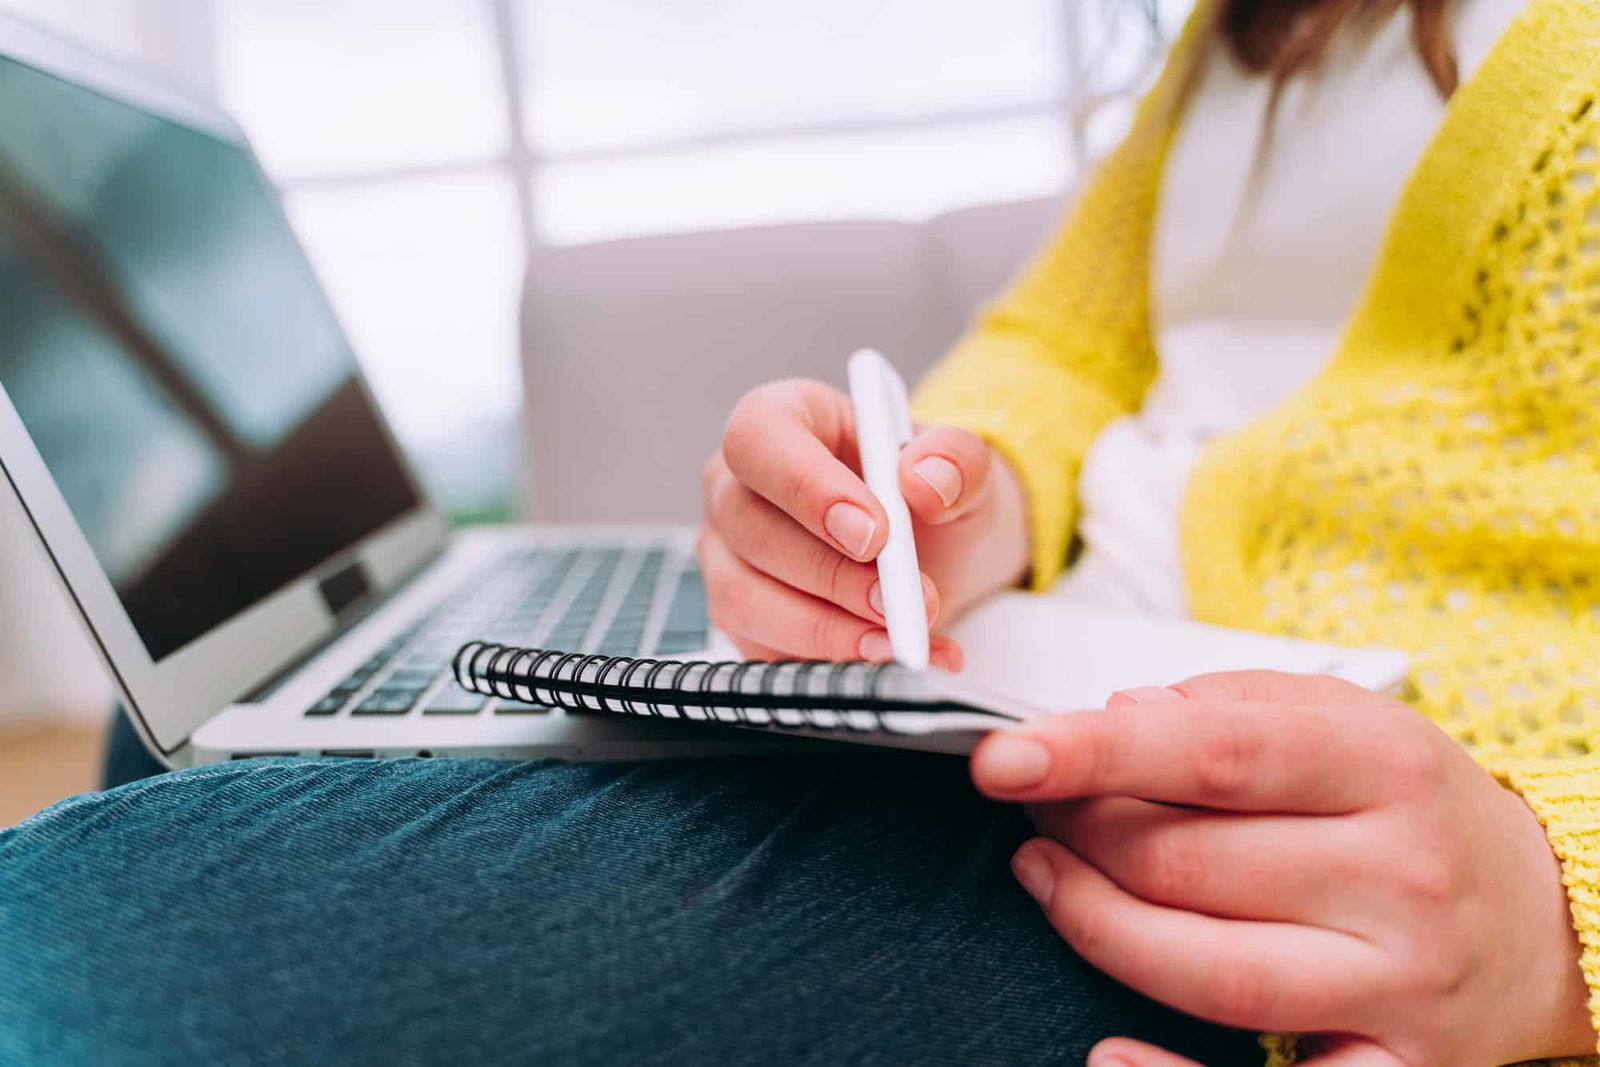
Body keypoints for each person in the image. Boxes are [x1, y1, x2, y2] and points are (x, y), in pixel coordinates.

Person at [3, 2, 1597, 1066]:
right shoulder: (1250, 30)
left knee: (72, 940)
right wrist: (956, 499)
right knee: (193, 731)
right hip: (1011, 681)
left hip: (1294, 870)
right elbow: (1071, 348)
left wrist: (1556, 929)